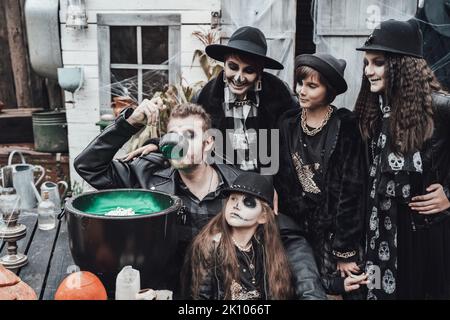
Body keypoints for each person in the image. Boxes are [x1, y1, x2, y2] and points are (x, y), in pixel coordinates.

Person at [74, 102, 327, 299]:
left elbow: (289, 239)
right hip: (163, 292)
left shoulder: (238, 188)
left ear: (208, 143)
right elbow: (88, 166)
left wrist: (311, 294)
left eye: (189, 135)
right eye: (173, 135)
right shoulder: (146, 177)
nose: (179, 142)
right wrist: (129, 123)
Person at [354, 19, 450, 299]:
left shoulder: (441, 107)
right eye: (366, 63)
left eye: (378, 62)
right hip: (379, 234)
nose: (369, 71)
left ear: (401, 64)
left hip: (424, 236)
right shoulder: (373, 109)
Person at [124, 26, 297, 174]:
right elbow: (186, 130)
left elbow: (296, 137)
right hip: (221, 183)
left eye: (248, 70)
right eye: (233, 67)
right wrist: (158, 144)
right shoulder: (206, 96)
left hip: (266, 182)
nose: (238, 78)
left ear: (259, 71)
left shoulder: (278, 94)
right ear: (225, 64)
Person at [274, 53, 367, 297]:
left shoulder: (346, 125)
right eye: (300, 83)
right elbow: (278, 175)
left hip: (335, 233)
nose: (301, 91)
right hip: (298, 231)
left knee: (346, 289)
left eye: (312, 86)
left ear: (329, 90)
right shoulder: (287, 122)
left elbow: (352, 190)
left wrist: (344, 251)